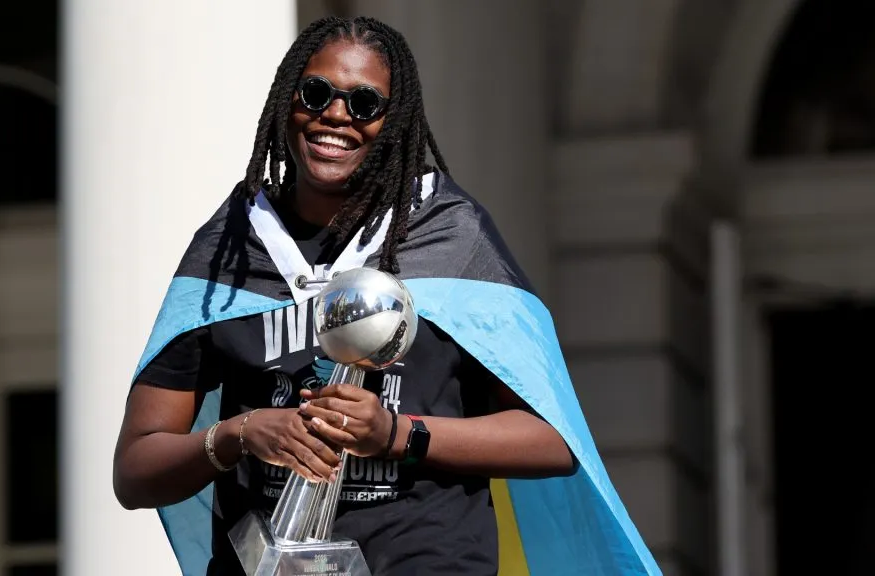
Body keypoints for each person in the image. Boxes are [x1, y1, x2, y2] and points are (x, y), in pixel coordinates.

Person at [114, 15, 660, 576]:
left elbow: (550, 442)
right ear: (287, 101)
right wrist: (239, 434)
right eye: (316, 93)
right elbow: (135, 469)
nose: (336, 115)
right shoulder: (231, 245)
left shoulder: (450, 240)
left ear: (395, 122)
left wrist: (396, 434)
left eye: (365, 104)